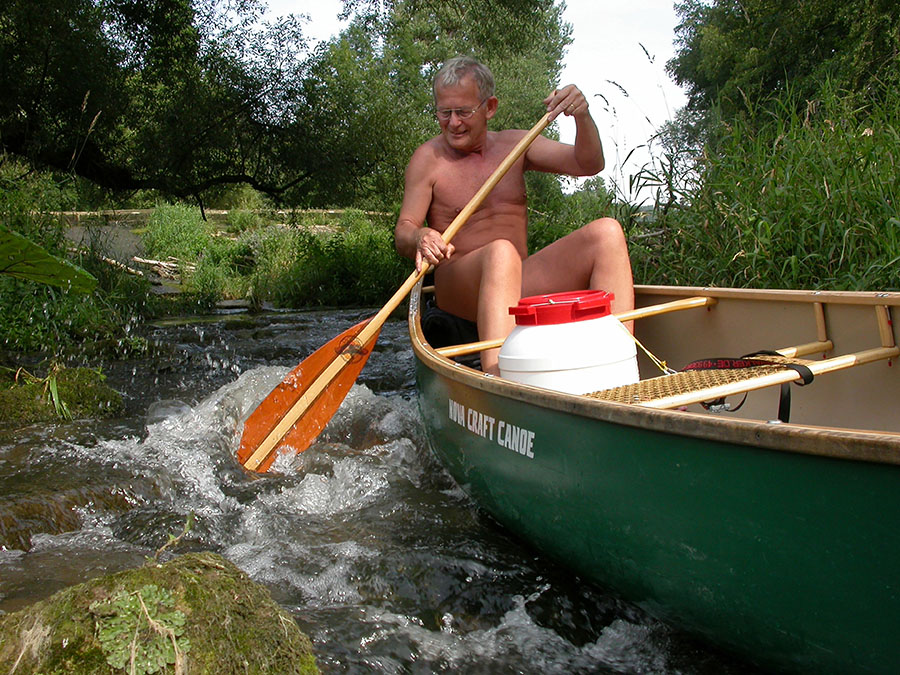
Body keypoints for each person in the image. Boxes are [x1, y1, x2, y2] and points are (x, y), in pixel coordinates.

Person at [394, 56, 634, 375]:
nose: (453, 123)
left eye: (463, 112)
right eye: (444, 112)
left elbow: (588, 164)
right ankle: (499, 381)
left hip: (515, 280)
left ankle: (621, 364)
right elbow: (403, 231)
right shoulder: (429, 158)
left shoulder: (516, 143)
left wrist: (582, 115)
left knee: (607, 233)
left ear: (489, 107)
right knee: (501, 252)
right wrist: (420, 236)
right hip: (458, 285)